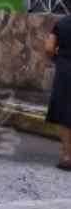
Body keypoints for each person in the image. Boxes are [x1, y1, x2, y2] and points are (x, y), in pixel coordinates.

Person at [45, 13, 71, 170]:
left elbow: (49, 48)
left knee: (65, 112)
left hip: (65, 71)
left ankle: (67, 155)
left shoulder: (61, 24)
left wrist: (58, 60)